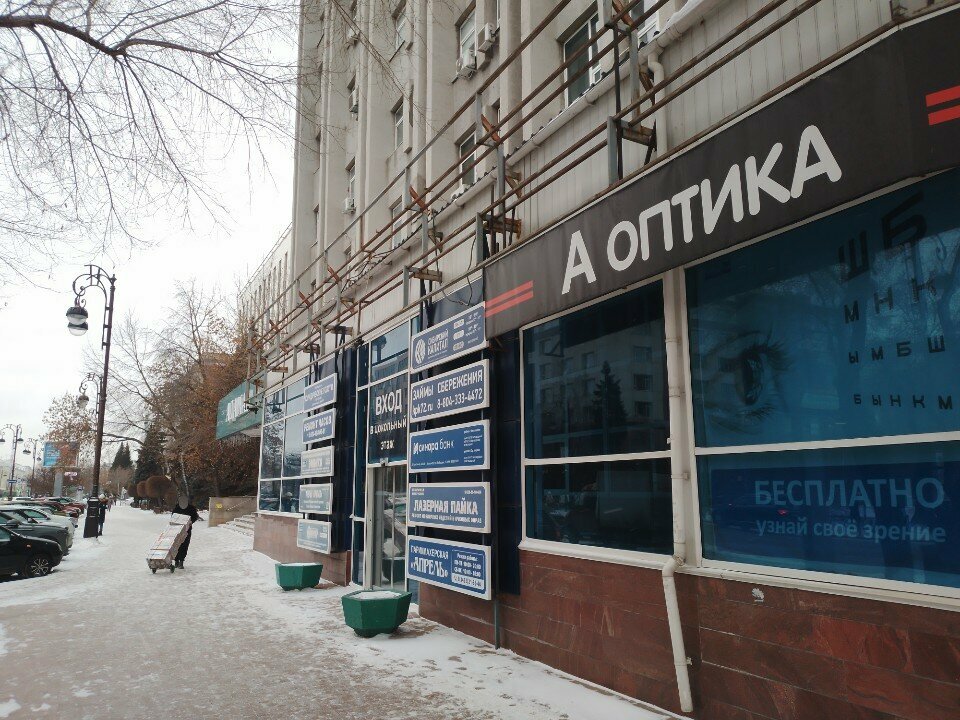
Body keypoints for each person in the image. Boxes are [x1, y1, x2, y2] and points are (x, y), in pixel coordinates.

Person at [171, 494, 203, 569]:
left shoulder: (191, 508)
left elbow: (195, 516)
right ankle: (176, 561)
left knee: (184, 545)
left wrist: (191, 522)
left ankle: (181, 561)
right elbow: (173, 517)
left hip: (187, 530)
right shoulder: (176, 508)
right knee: (176, 545)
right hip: (177, 529)